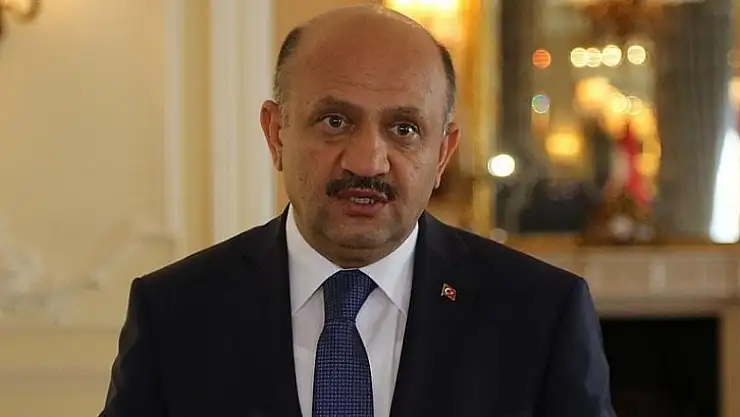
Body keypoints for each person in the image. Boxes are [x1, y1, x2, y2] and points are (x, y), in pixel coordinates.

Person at [98, 5, 614, 417]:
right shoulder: (175, 312)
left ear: (443, 154)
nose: (367, 161)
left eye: (404, 129)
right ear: (276, 135)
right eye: (335, 121)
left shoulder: (541, 314)